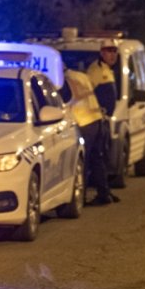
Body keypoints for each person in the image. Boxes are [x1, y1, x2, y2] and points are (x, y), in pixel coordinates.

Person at [61, 69, 114, 206]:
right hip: (96, 119)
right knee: (97, 158)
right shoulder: (81, 76)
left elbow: (69, 98)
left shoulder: (65, 79)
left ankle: (81, 197)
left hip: (84, 122)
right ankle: (104, 194)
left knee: (83, 160)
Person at [85, 39, 121, 204]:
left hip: (104, 120)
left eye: (114, 51)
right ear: (101, 52)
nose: (112, 54)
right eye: (108, 50)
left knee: (103, 157)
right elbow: (87, 94)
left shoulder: (107, 69)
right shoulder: (95, 70)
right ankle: (101, 193)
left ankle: (105, 191)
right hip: (96, 120)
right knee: (96, 157)